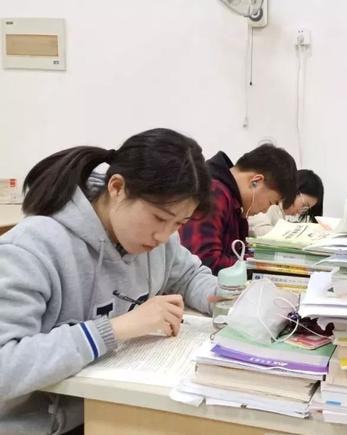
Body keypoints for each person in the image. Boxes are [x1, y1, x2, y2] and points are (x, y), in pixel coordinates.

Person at [0, 128, 220, 434]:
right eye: (159, 218)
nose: (163, 235)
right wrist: (116, 329)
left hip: (113, 410)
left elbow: (189, 275)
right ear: (117, 187)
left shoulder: (159, 241)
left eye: (178, 223)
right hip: (42, 426)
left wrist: (225, 300)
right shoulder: (32, 248)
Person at [179, 143, 297, 274]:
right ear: (256, 181)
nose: (265, 211)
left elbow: (235, 254)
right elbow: (207, 262)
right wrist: (261, 264)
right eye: (270, 203)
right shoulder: (215, 192)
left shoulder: (235, 202)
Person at [248, 169, 324, 237]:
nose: (300, 212)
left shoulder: (281, 212)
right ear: (295, 190)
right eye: (304, 205)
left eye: (307, 209)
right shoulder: (269, 202)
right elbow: (257, 229)